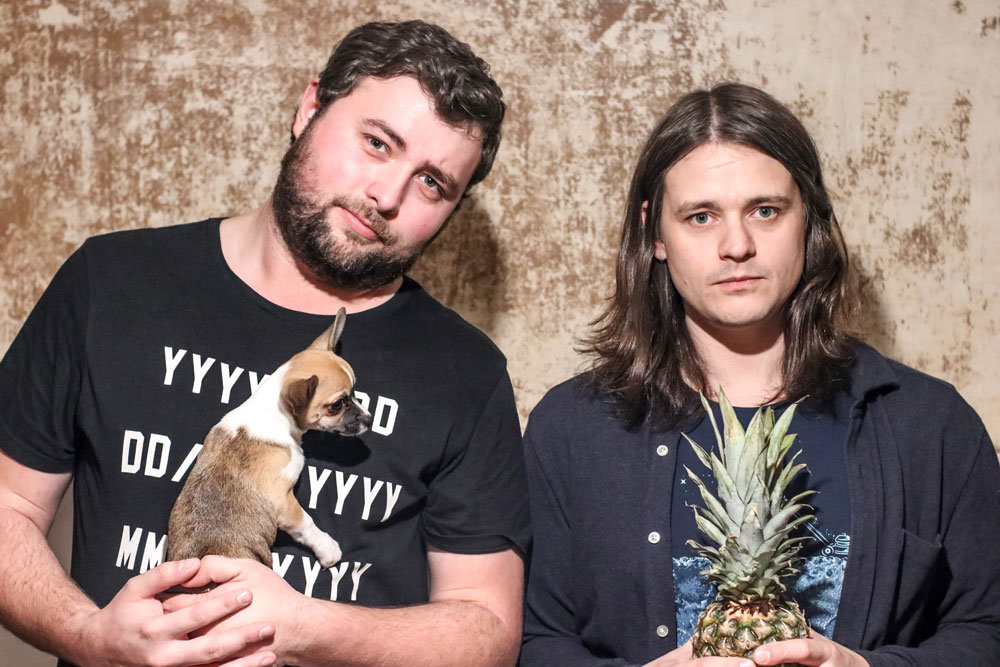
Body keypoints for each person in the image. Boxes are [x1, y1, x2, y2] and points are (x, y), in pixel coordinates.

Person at [0, 20, 529, 667]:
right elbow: (8, 507)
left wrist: (301, 625)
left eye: (432, 183)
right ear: (310, 108)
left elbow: (487, 626)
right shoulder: (112, 282)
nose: (386, 196)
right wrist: (89, 636)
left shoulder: (466, 372)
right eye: (376, 143)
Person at [518, 82, 1000, 666]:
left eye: (765, 211)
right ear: (655, 234)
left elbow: (986, 630)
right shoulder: (572, 427)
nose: (737, 245)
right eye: (700, 217)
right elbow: (534, 641)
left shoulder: (931, 424)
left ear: (808, 218)